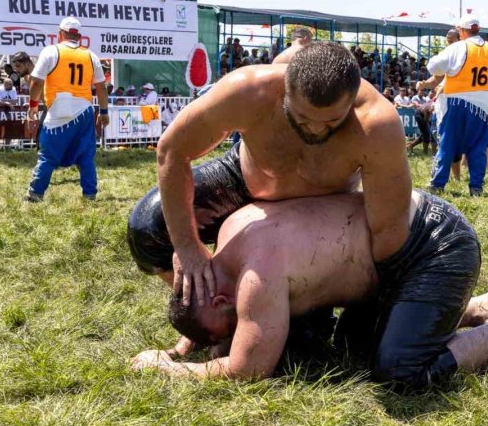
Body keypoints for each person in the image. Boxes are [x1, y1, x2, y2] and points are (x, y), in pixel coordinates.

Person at [127, 41, 411, 330]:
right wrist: (187, 247)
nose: (315, 129)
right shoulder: (248, 90)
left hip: (320, 210)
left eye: (332, 122)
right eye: (302, 118)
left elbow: (389, 229)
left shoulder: (377, 123)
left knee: (301, 339)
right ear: (284, 89)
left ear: (351, 102)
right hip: (246, 178)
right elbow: (172, 150)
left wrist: (372, 303)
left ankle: (285, 314)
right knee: (148, 229)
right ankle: (213, 307)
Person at [131, 191, 488, 387]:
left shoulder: (257, 281)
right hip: (407, 237)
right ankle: (481, 309)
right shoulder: (231, 233)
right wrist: (186, 342)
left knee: (401, 372)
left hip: (437, 247)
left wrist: (169, 368)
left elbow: (247, 370)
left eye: (228, 330)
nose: (232, 336)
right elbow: (203, 305)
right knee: (353, 347)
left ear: (223, 299)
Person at [419, 16, 488, 196]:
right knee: (478, 147)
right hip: (483, 106)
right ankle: (476, 187)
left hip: (456, 103)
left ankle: (438, 184)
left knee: (447, 143)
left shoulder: (457, 48)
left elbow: (434, 67)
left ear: (463, 31)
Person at [25, 17, 109, 201]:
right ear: (79, 36)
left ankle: (35, 194)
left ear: (60, 34)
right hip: (85, 109)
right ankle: (90, 195)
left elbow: (37, 82)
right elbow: (101, 87)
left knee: (47, 155)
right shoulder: (91, 56)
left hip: (59, 108)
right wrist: (104, 112)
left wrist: (33, 107)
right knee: (86, 155)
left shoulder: (51, 51)